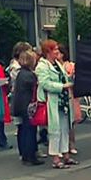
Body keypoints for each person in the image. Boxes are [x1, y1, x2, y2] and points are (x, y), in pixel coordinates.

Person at [35, 39, 77, 169]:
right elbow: (45, 84)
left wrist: (70, 78)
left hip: (63, 101)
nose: (58, 52)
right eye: (55, 50)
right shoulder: (42, 66)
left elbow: (64, 77)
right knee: (55, 131)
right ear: (48, 52)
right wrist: (63, 86)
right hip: (52, 101)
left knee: (65, 129)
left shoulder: (57, 64)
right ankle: (55, 158)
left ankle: (66, 155)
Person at [11, 50, 43, 166]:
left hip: (21, 105)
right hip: (27, 106)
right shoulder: (29, 75)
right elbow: (37, 85)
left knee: (24, 130)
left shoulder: (21, 73)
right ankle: (30, 156)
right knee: (30, 131)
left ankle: (25, 155)